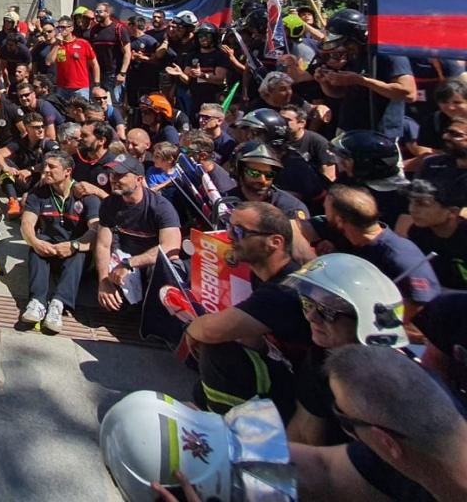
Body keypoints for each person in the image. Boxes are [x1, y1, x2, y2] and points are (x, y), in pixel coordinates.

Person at [290, 344, 467, 502]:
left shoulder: (405, 453)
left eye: (345, 420)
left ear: (387, 442)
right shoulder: (409, 455)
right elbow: (325, 469)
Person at [185, 202, 310, 418]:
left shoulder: (284, 290)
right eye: (230, 227)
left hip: (301, 396)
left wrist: (191, 332)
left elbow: (210, 330)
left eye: (240, 231)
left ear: (274, 242)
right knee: (201, 390)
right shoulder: (261, 272)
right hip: (280, 365)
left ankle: (224, 431)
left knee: (217, 351)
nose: (230, 236)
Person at [283, 254, 409, 447]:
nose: (311, 317)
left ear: (366, 320)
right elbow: (304, 432)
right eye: (307, 302)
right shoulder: (322, 356)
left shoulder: (395, 388)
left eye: (327, 310)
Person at [306, 184, 441, 313]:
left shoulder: (399, 254)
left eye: (326, 211)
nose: (325, 216)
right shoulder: (352, 243)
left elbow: (419, 301)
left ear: (340, 221)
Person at [20, 151, 100, 332]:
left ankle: (58, 304)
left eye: (51, 167)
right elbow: (26, 224)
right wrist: (34, 242)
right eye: (45, 166)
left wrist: (74, 245)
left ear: (67, 171)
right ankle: (37, 302)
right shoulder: (38, 193)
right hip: (50, 248)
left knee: (79, 252)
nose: (45, 170)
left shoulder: (85, 195)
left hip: (75, 253)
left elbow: (95, 230)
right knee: (36, 245)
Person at [94, 154, 181, 312]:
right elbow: (103, 245)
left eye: (121, 175)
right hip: (120, 263)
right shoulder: (109, 204)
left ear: (139, 180)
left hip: (146, 265)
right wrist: (103, 281)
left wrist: (129, 264)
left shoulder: (161, 207)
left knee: (162, 269)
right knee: (113, 307)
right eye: (113, 174)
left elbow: (170, 247)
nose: (114, 179)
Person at [314, 9, 415, 141]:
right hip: (349, 128)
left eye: (347, 42)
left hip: (378, 132)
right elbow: (340, 94)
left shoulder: (388, 53)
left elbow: (408, 94)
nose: (344, 47)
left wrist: (362, 80)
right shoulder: (355, 56)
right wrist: (325, 82)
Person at [397, 178, 467, 290]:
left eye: (422, 204)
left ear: (453, 212)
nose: (412, 209)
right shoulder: (418, 233)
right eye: (411, 202)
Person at [0, 112, 57, 217]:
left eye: (42, 126)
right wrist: (6, 168)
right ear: (27, 128)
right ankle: (13, 203)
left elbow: (58, 160)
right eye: (36, 127)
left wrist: (31, 170)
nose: (41, 130)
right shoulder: (20, 142)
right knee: (5, 164)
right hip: (23, 180)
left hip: (40, 184)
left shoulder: (48, 144)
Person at [88, 3, 131, 102]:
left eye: (100, 12)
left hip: (114, 73)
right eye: (96, 12)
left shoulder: (119, 29)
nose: (97, 14)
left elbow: (127, 53)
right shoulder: (94, 30)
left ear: (108, 13)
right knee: (98, 102)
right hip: (98, 73)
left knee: (114, 102)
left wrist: (122, 73)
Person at [53, 15, 98, 101]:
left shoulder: (83, 43)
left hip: (80, 88)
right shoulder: (57, 45)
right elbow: (49, 61)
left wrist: (97, 84)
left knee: (81, 111)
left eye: (63, 27)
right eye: (58, 27)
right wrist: (57, 44)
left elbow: (94, 64)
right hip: (62, 87)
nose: (60, 30)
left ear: (71, 28)